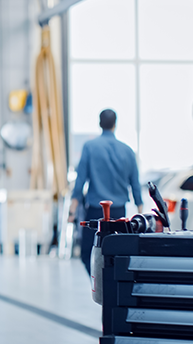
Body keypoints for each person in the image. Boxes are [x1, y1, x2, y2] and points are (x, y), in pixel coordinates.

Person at [68, 109, 143, 276]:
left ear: (99, 124)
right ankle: (111, 284)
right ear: (115, 124)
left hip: (95, 213)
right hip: (119, 213)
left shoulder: (89, 147)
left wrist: (72, 211)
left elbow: (80, 182)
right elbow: (135, 184)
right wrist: (140, 212)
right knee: (118, 253)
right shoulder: (128, 151)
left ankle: (99, 282)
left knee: (88, 252)